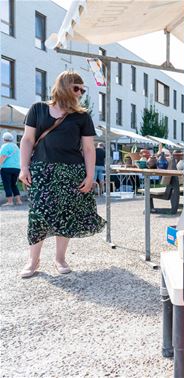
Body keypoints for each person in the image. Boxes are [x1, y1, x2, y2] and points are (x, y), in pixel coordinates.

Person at [18, 71, 106, 278]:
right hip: (41, 169)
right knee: (38, 214)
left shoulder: (82, 116)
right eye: (77, 88)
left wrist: (90, 175)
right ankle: (33, 260)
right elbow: (27, 140)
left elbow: (89, 148)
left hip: (72, 170)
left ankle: (60, 259)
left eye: (83, 90)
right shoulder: (38, 109)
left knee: (65, 214)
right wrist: (24, 167)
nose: (80, 93)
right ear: (64, 86)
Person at [0, 132, 23, 206]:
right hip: (16, 168)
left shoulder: (5, 146)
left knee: (7, 184)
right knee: (14, 184)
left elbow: (3, 157)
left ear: (4, 139)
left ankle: (10, 202)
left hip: (7, 168)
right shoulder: (16, 146)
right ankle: (19, 201)